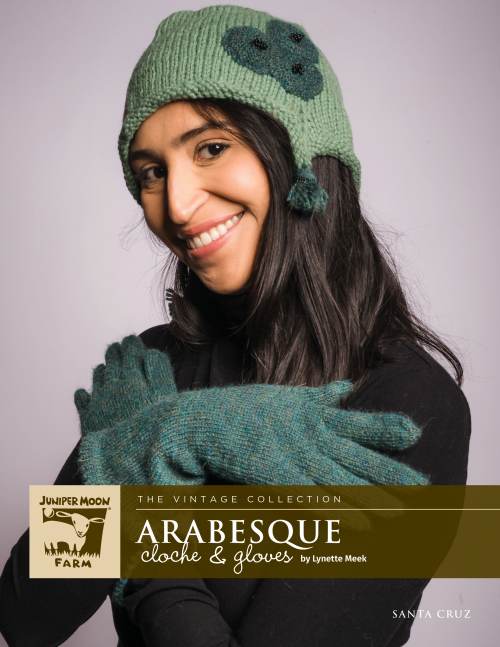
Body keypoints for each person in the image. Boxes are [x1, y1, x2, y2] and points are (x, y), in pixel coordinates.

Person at [0, 5, 471, 646]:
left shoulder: (403, 407)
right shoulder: (152, 369)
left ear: (300, 156)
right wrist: (129, 453)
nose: (176, 204)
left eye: (212, 148)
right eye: (151, 173)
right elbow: (25, 621)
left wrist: (160, 467)